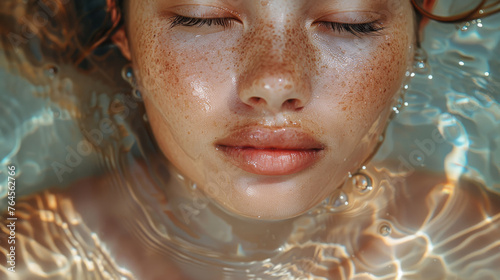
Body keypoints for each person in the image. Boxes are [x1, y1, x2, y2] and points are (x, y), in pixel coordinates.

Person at [0, 0, 499, 279]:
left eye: (349, 22)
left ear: (420, 24)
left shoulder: (483, 250)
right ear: (121, 26)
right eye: (204, 16)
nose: (275, 82)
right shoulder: (21, 260)